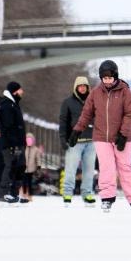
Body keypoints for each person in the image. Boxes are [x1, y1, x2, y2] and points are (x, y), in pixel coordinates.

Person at [71, 60, 131, 212]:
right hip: (101, 137)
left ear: (115, 76)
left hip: (122, 137)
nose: (108, 81)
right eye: (104, 78)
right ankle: (107, 198)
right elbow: (86, 114)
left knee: (125, 167)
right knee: (106, 168)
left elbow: (130, 114)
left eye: (110, 78)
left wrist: (123, 135)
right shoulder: (96, 93)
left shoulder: (125, 92)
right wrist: (77, 130)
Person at [58, 76, 96, 206]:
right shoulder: (68, 102)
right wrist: (63, 138)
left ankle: (87, 194)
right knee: (70, 169)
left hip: (91, 141)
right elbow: (63, 122)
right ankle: (67, 193)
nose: (82, 88)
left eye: (84, 86)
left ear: (87, 87)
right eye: (80, 86)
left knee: (89, 171)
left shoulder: (93, 102)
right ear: (76, 87)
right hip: (74, 142)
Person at [0, 81, 27, 203]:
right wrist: (13, 144)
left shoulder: (14, 105)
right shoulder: (6, 106)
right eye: (20, 90)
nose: (22, 92)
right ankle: (4, 194)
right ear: (14, 91)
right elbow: (8, 127)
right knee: (10, 167)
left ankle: (14, 193)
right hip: (11, 144)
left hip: (18, 144)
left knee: (20, 167)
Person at [21, 133, 42, 203]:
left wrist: (38, 166)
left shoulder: (36, 149)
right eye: (27, 140)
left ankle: (30, 195)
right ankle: (24, 194)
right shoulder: (23, 148)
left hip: (31, 169)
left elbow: (38, 158)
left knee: (30, 182)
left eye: (30, 140)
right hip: (23, 168)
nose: (29, 142)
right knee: (23, 182)